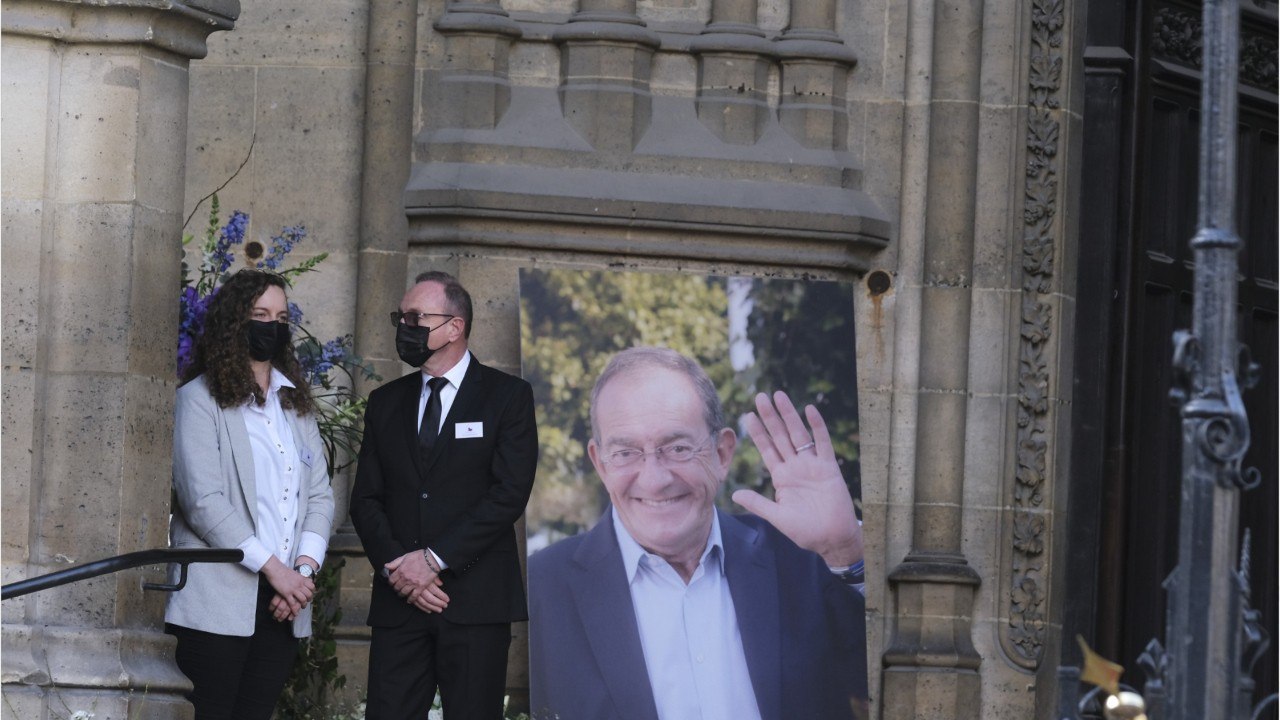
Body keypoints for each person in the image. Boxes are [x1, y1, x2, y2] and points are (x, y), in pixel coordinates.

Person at [528, 346, 867, 720]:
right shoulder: (539, 588)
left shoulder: (803, 557)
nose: (655, 480)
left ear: (721, 454)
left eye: (677, 447)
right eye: (626, 452)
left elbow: (897, 680)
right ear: (600, 462)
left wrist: (847, 551)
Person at [350, 270, 539, 719]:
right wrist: (402, 571)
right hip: (400, 604)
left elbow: (509, 494)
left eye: (416, 317)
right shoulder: (385, 402)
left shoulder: (507, 396)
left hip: (473, 602)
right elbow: (365, 500)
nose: (404, 327)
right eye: (401, 317)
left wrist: (432, 560)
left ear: (455, 327)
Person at [165, 269, 336, 720]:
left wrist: (300, 574)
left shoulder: (294, 403)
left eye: (280, 318)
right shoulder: (198, 400)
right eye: (259, 314)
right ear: (232, 322)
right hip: (217, 600)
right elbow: (204, 502)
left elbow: (319, 496)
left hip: (284, 602)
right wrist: (276, 570)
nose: (271, 326)